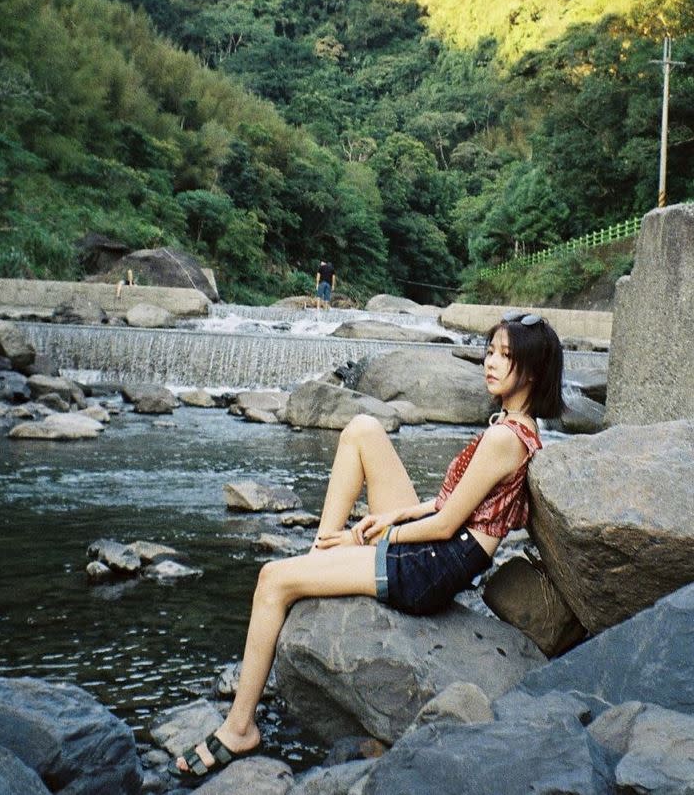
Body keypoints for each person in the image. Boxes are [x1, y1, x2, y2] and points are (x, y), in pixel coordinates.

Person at [171, 311, 565, 784]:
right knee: (362, 429)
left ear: (534, 372)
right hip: (445, 551)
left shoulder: (505, 437)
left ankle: (239, 728)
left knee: (271, 580)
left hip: (431, 570)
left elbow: (444, 527)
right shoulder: (515, 426)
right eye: (491, 351)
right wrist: (394, 515)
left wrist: (371, 534)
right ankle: (321, 560)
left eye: (506, 356)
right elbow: (448, 504)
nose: (490, 363)